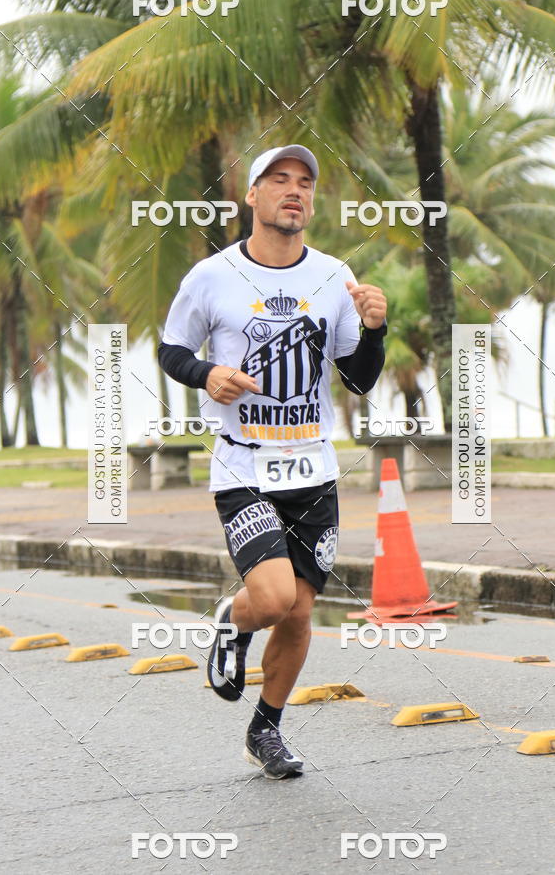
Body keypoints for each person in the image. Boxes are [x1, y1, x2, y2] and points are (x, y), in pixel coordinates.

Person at [158, 145, 387, 779]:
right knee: (276, 597)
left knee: (303, 611)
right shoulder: (212, 276)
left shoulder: (334, 277)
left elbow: (360, 379)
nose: (295, 191)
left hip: (314, 470)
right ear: (252, 197)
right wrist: (208, 374)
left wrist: (374, 330)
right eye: (279, 180)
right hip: (244, 468)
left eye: (305, 182)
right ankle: (232, 621)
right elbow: (172, 350)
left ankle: (266, 730)